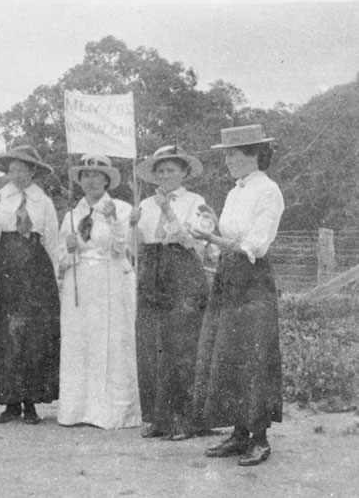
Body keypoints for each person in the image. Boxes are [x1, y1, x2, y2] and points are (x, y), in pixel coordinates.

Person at [189, 124, 285, 467]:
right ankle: (238, 433)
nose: (227, 160)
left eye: (232, 154)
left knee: (253, 353)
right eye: (226, 154)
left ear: (254, 155)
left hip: (252, 278)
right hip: (230, 276)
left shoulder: (268, 191)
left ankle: (259, 438)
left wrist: (214, 240)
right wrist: (213, 228)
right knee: (227, 351)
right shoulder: (235, 192)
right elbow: (230, 234)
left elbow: (255, 244)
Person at [130, 146, 211, 440]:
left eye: (171, 170)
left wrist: (167, 209)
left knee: (182, 345)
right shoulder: (146, 204)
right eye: (160, 171)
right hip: (152, 271)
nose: (165, 176)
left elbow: (191, 241)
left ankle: (186, 420)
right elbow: (136, 247)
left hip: (183, 271)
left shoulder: (195, 201)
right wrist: (133, 224)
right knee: (152, 342)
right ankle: (159, 418)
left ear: (184, 173)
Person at [57, 154, 140, 430]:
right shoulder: (72, 215)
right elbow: (60, 256)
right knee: (81, 342)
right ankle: (78, 409)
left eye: (97, 175)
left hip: (110, 280)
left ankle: (111, 412)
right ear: (79, 180)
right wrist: (68, 250)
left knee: (111, 341)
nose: (91, 180)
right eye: (86, 175)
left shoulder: (121, 208)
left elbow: (122, 248)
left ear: (107, 180)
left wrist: (115, 221)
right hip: (80, 282)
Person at [0, 145, 61, 425]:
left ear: (33, 171)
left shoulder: (43, 201)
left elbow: (51, 239)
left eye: (23, 169)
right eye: (12, 169)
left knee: (34, 333)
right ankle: (9, 402)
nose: (17, 174)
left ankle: (32, 403)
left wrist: (58, 275)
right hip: (7, 268)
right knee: (7, 332)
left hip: (36, 269)